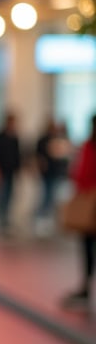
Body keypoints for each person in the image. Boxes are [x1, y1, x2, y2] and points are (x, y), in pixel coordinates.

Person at [60, 112, 96, 311]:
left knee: (88, 248)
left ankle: (86, 288)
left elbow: (81, 173)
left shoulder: (90, 146)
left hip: (90, 205)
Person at [33, 117, 71, 231]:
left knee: (53, 197)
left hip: (56, 172)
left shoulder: (58, 139)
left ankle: (47, 221)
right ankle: (41, 220)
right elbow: (38, 155)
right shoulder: (43, 140)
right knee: (46, 196)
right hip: (47, 173)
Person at [0, 110, 22, 236]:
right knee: (2, 197)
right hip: (2, 172)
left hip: (11, 172)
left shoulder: (15, 138)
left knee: (9, 197)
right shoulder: (0, 137)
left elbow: (17, 156)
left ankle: (6, 221)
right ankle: (1, 222)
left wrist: (18, 170)